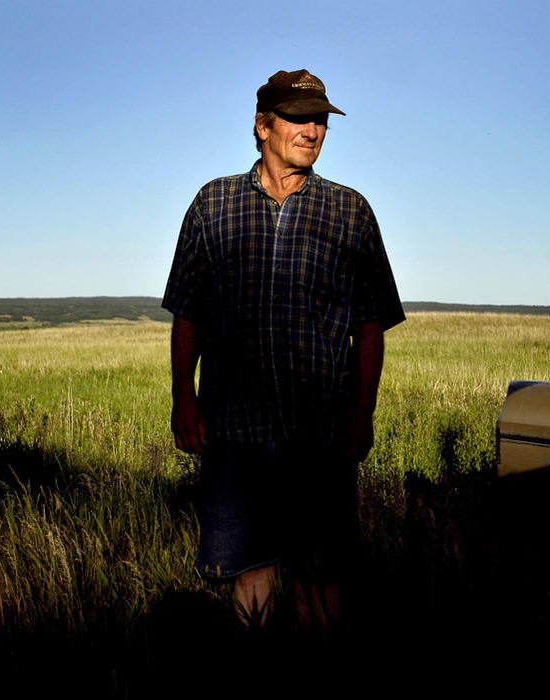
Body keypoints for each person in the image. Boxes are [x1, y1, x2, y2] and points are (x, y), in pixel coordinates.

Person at [162, 68, 404, 629]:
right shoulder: (212, 205)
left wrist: (362, 411)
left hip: (320, 433)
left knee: (320, 576)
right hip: (236, 429)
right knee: (249, 573)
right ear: (262, 126)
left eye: (320, 119)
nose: (313, 129)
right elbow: (189, 312)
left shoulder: (351, 212)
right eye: (299, 117)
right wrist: (184, 397)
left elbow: (370, 324)